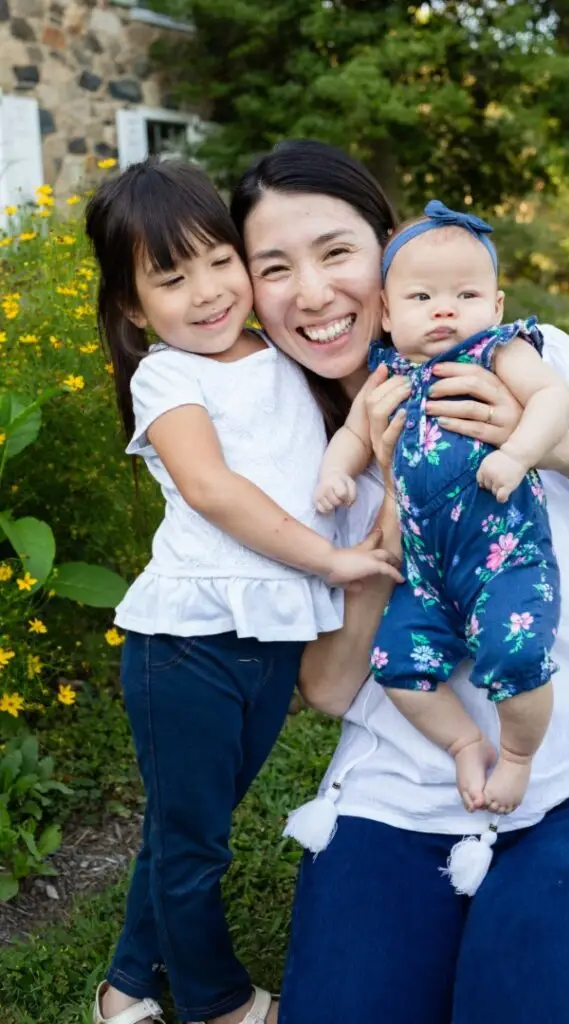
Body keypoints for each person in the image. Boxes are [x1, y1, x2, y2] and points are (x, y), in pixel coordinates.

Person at [230, 138, 569, 1024]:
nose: (313, 293)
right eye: (273, 267)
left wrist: (556, 447)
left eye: (336, 252)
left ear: (391, 251)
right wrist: (379, 538)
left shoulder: (522, 353)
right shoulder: (294, 441)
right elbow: (324, 689)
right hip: (394, 792)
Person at [84, 160, 402, 1024]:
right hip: (186, 643)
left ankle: (123, 987)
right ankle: (219, 1000)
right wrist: (330, 562)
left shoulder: (283, 355)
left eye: (220, 261)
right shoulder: (168, 377)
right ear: (130, 306)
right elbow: (214, 489)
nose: (207, 292)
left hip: (267, 647)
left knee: (192, 827)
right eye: (170, 278)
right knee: (196, 843)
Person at [316, 199, 569, 820]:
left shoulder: (497, 352)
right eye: (421, 297)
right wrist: (335, 472)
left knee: (516, 655)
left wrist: (515, 455)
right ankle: (464, 741)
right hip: (426, 572)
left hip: (503, 556)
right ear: (385, 311)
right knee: (397, 664)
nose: (444, 309)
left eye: (465, 294)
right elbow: (354, 436)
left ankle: (516, 756)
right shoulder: (389, 375)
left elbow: (553, 400)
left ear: (496, 306)